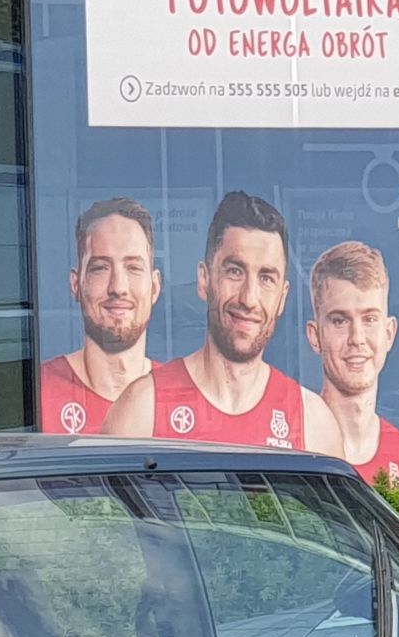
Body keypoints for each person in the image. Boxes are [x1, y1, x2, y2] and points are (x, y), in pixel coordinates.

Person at [103, 190, 340, 454]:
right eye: (235, 271)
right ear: (204, 280)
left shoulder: (313, 424)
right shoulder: (142, 409)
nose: (249, 298)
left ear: (282, 297)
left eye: (266, 278)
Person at [306, 240, 399, 510]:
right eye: (339, 320)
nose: (356, 338)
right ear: (315, 335)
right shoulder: (288, 452)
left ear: (389, 333)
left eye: (369, 319)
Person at [40, 197, 160, 435]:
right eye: (100, 268)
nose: (118, 287)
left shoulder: (182, 394)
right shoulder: (36, 392)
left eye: (133, 268)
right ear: (76, 284)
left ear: (155, 287)